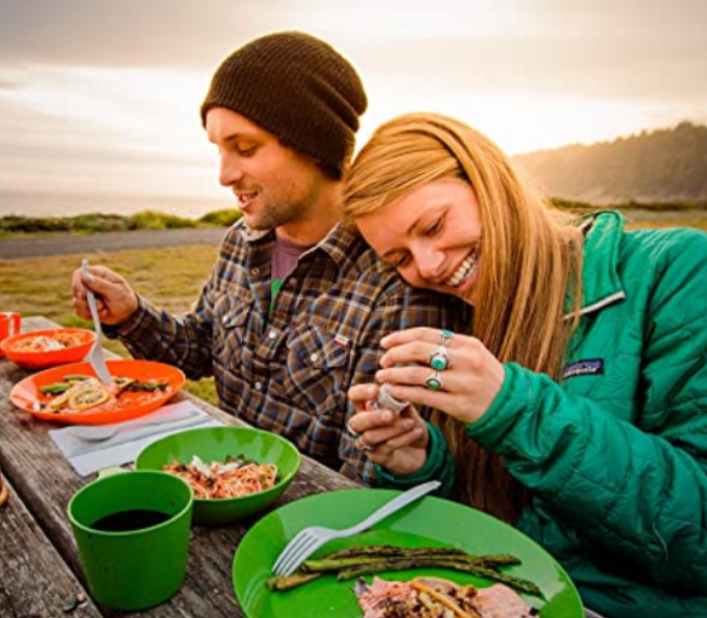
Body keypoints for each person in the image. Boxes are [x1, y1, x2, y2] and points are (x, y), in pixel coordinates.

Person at [342, 112, 707, 618]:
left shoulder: (681, 272)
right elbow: (507, 519)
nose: (429, 266)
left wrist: (519, 410)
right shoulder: (477, 319)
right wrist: (425, 462)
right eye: (401, 258)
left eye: (433, 225)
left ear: (487, 178)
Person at [71, 33, 459, 481]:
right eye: (218, 150)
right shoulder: (242, 239)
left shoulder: (395, 277)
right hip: (211, 486)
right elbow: (200, 348)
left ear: (314, 142)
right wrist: (132, 314)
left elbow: (368, 478)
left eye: (245, 148)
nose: (224, 174)